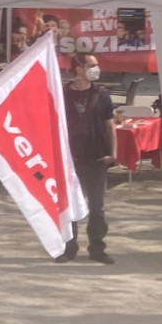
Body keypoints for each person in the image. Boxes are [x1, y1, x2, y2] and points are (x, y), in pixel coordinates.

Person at [58, 51, 117, 264]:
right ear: (79, 69)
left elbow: (110, 126)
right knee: (70, 207)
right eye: (92, 65)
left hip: (97, 158)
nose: (97, 68)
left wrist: (113, 152)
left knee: (97, 207)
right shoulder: (62, 94)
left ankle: (97, 248)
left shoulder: (102, 95)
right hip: (70, 161)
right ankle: (69, 248)